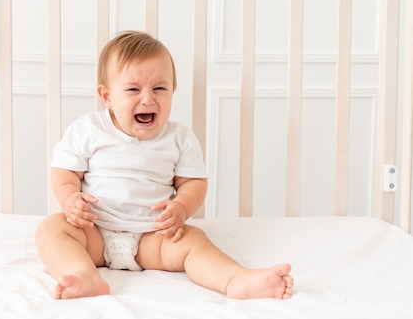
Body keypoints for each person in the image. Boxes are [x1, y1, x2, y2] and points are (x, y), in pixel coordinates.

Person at [35, 31, 293, 300]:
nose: (148, 99)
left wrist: (181, 207)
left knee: (194, 240)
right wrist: (71, 198)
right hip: (94, 234)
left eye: (159, 88)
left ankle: (235, 279)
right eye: (134, 89)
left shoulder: (179, 138)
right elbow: (65, 173)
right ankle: (83, 274)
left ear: (172, 90)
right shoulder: (87, 129)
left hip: (153, 237)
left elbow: (193, 184)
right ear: (107, 96)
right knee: (51, 228)